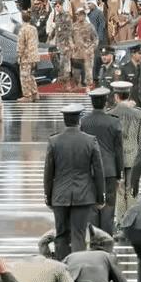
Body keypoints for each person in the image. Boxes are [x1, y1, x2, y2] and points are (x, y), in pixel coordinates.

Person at [43, 103, 105, 260]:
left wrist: (48, 197)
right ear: (79, 120)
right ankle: (78, 273)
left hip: (60, 195)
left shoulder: (54, 141)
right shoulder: (90, 141)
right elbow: (98, 171)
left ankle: (62, 270)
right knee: (78, 234)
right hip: (84, 195)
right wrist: (100, 196)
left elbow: (48, 173)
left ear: (64, 121)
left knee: (61, 235)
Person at [81, 87, 123, 235]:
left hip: (90, 171)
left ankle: (93, 240)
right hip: (109, 170)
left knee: (92, 207)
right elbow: (118, 151)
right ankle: (106, 242)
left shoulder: (84, 121)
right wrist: (119, 175)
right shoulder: (114, 122)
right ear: (106, 102)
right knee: (108, 209)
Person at [108, 81, 141, 231]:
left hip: (115, 158)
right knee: (131, 189)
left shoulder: (110, 113)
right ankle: (131, 221)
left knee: (119, 189)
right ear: (128, 95)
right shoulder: (138, 113)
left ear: (116, 96)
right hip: (133, 155)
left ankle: (120, 220)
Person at [16, 11, 40, 103]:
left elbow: (21, 44)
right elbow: (36, 42)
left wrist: (19, 55)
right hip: (34, 55)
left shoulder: (23, 29)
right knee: (31, 75)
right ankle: (35, 93)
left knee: (24, 76)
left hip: (26, 56)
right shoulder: (33, 28)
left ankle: (27, 95)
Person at [71, 8, 98, 88]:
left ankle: (88, 87)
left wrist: (92, 48)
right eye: (77, 15)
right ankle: (77, 86)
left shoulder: (90, 26)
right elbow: (69, 37)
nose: (78, 16)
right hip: (77, 53)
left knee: (88, 74)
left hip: (87, 53)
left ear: (84, 15)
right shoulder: (73, 26)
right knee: (76, 74)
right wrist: (72, 45)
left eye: (80, 15)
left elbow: (96, 38)